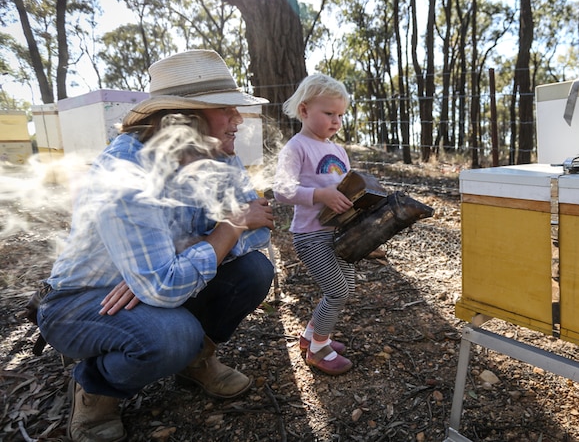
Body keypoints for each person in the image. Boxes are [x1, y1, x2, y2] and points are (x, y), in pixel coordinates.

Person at [36, 50, 275, 442]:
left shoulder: (219, 154)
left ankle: (195, 362)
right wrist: (226, 228)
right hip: (80, 301)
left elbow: (259, 228)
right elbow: (170, 281)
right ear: (183, 120)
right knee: (170, 336)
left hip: (145, 284)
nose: (238, 119)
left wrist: (175, 259)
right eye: (225, 109)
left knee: (254, 272)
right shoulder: (125, 173)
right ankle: (95, 391)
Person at [273, 74, 355, 376]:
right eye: (329, 113)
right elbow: (281, 190)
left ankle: (311, 336)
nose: (336, 121)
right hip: (311, 236)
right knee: (337, 292)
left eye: (341, 115)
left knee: (348, 287)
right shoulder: (296, 148)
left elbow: (346, 185)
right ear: (305, 111)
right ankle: (319, 350)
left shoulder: (337, 150)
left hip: (339, 234)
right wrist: (319, 195)